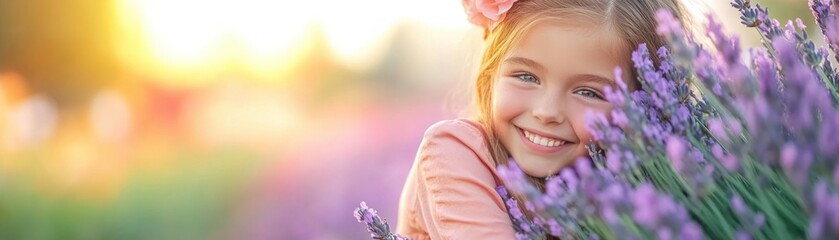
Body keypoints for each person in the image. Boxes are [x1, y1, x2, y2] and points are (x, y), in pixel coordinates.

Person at [396, 0, 693, 238]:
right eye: (526, 76)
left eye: (589, 92)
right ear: (492, 72)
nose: (547, 111)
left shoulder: (638, 185)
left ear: (646, 104)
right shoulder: (452, 152)